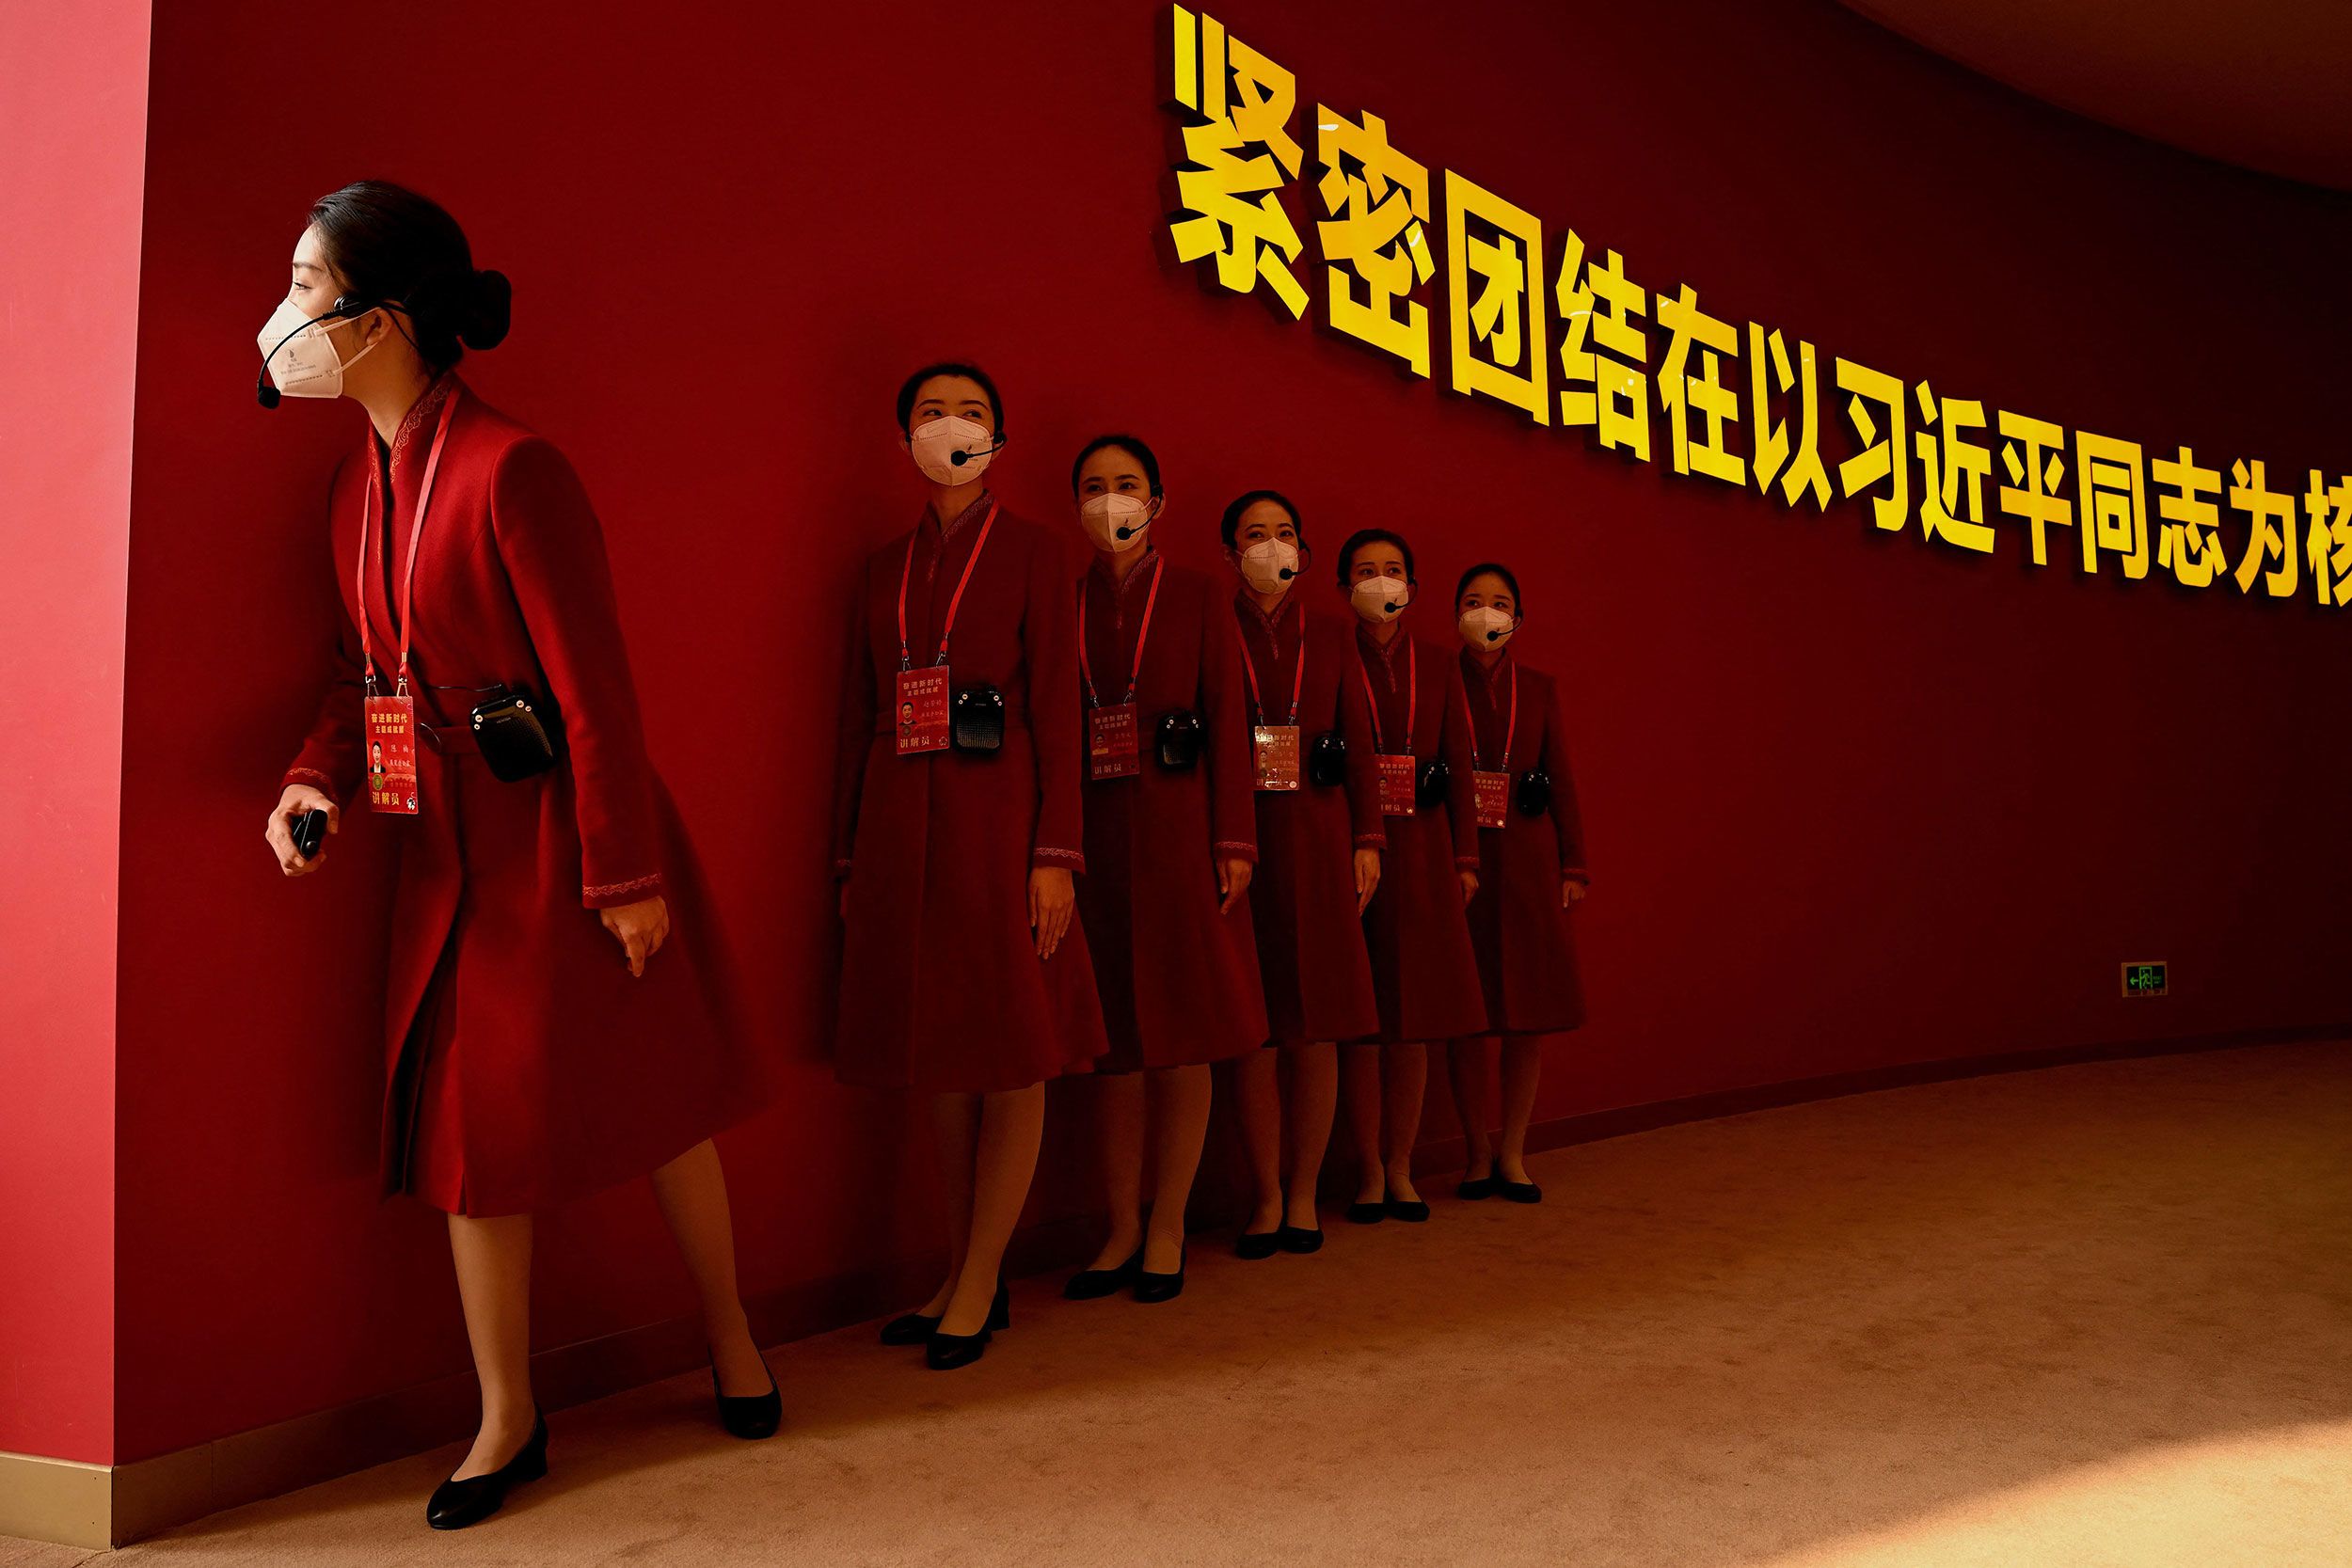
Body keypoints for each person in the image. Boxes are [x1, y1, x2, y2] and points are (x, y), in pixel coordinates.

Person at [258, 182, 778, 1533]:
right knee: (467, 1140)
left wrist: (626, 876)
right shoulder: (346, 488)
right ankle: (509, 1410)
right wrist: (314, 780)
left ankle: (734, 1333)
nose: (288, 314)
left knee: (665, 1095)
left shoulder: (512, 465)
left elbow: (599, 692)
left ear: (381, 320)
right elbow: (356, 671)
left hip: (565, 832)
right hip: (441, 850)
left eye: (309, 287)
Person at [831, 362, 1107, 1369]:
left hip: (1004, 828)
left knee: (1012, 1043)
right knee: (940, 1051)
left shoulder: (1036, 553)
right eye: (934, 413)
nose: (953, 426)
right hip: (906, 825)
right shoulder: (878, 570)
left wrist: (1055, 855)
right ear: (902, 433)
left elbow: (1060, 719)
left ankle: (986, 1272)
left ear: (1001, 437)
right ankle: (958, 1267)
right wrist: (853, 853)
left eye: (974, 412)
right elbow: (856, 719)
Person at [1059, 436, 1266, 1304]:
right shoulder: (1060, 600)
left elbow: (1230, 719)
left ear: (1159, 502)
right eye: (1096, 488)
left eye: (1128, 486)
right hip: (1094, 830)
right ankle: (1119, 1224)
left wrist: (1234, 839)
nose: (1113, 502)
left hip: (1183, 824)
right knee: (1113, 1047)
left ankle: (1170, 1220)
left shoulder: (1196, 595)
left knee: (1181, 1036)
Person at [1221, 492, 1384, 1259]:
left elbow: (1358, 738)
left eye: (1284, 532)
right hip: (1240, 839)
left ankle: (1304, 1191)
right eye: (1255, 535)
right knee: (1255, 1029)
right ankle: (1263, 1194)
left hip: (1319, 836)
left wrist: (1368, 834)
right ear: (1232, 553)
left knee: (1315, 1027)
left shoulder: (1330, 634)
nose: (1270, 546)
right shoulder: (1211, 624)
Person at [1338, 529, 1487, 1225]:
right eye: (1366, 571)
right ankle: (1367, 1168)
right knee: (1365, 1024)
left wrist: (1466, 857)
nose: (1380, 581)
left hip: (1424, 850)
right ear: (1344, 589)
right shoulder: (1330, 652)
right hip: (1354, 851)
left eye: (1392, 570)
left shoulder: (1438, 663)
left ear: (1413, 587)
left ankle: (1401, 1166)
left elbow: (1459, 763)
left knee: (1416, 1021)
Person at [1447, 564, 1588, 1203]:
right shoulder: (1440, 680)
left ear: (1518, 619)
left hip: (1528, 857)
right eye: (1474, 602)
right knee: (1467, 1016)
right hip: (1461, 857)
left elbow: (1561, 779)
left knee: (1525, 1016)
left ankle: (1513, 1151)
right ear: (1455, 615)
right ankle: (1476, 1151)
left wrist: (1573, 864)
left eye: (1499, 603)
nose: (1486, 614)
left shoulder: (1538, 688)